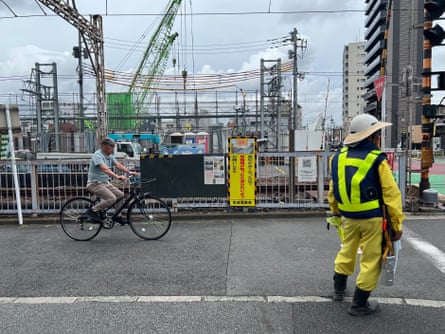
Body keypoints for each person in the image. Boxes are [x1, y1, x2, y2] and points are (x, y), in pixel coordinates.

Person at [327, 113, 405, 316]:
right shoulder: (377, 159)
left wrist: (335, 212)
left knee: (347, 250)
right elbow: (391, 193)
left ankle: (339, 289)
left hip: (348, 217)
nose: (379, 138)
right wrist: (396, 225)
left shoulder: (337, 158)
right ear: (370, 137)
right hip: (373, 218)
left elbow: (333, 190)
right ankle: (359, 303)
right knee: (372, 259)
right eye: (377, 134)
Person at [85, 137, 138, 225]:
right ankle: (92, 211)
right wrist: (117, 176)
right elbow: (104, 169)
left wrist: (129, 172)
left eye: (113, 146)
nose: (113, 148)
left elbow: (118, 165)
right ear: (103, 146)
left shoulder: (109, 156)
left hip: (105, 183)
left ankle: (117, 216)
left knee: (120, 195)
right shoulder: (97, 155)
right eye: (111, 146)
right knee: (111, 198)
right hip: (95, 184)